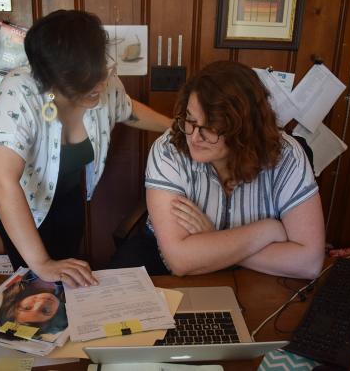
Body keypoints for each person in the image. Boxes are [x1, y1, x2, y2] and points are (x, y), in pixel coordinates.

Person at [0, 10, 171, 287]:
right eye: (88, 82)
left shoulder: (103, 81)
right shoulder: (18, 90)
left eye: (102, 73)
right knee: (32, 272)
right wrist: (42, 264)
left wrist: (175, 126)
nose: (102, 85)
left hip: (64, 185)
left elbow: (127, 110)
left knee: (68, 255)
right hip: (14, 189)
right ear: (51, 77)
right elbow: (2, 182)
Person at [109, 61, 325, 279]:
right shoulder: (169, 149)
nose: (194, 137)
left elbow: (309, 263)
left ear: (244, 129)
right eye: (190, 121)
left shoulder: (287, 155)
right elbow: (180, 260)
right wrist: (266, 231)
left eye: (210, 128)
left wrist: (214, 238)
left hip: (256, 276)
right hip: (163, 262)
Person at [0, 270, 67, 341]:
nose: (42, 302)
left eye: (27, 307)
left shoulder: (28, 280)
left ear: (17, 301)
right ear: (55, 314)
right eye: (45, 311)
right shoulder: (65, 300)